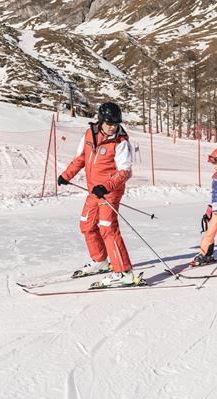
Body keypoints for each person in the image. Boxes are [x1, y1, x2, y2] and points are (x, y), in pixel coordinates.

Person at [58, 102, 136, 286]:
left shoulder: (121, 142)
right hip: (94, 190)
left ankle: (123, 271)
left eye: (116, 123)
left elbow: (125, 171)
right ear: (101, 120)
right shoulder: (89, 135)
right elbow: (81, 158)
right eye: (109, 123)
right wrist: (66, 175)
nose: (113, 127)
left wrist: (107, 186)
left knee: (107, 228)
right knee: (87, 225)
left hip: (110, 191)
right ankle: (101, 260)